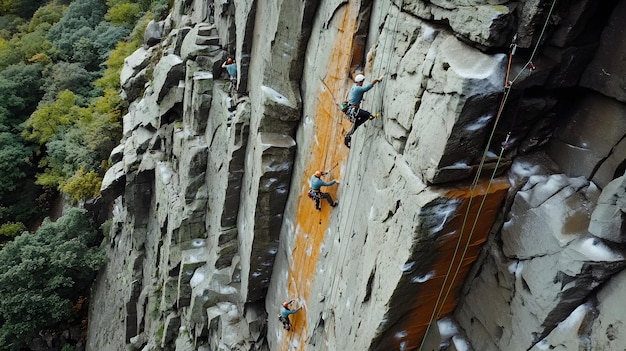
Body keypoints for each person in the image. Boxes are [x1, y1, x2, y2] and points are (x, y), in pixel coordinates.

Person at [343, 73, 384, 148]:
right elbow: (367, 88)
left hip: (352, 110)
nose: (362, 83)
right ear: (359, 82)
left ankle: (348, 136)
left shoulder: (354, 86)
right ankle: (348, 136)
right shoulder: (358, 88)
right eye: (362, 81)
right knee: (368, 115)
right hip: (354, 110)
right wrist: (377, 80)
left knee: (359, 122)